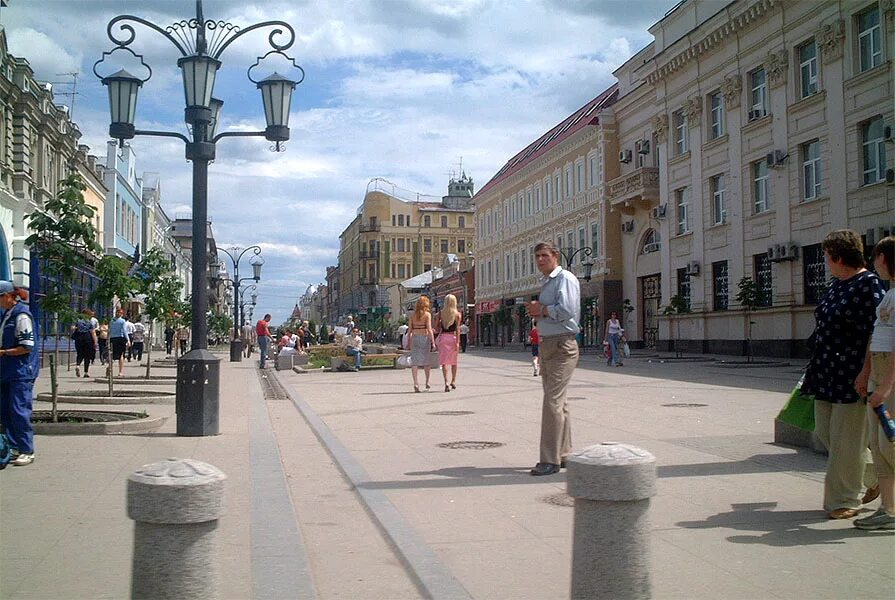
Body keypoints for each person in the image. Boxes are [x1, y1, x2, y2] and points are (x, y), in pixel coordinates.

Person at [802, 230, 883, 519]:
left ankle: (844, 500)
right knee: (825, 433)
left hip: (852, 372)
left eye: (827, 256)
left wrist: (866, 372)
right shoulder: (836, 285)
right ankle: (877, 475)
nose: (826, 262)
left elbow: (876, 333)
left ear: (839, 257)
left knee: (846, 440)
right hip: (825, 370)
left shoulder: (868, 285)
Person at [525, 241, 580, 476]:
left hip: (562, 345)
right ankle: (564, 453)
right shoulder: (547, 281)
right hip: (548, 344)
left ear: (555, 255)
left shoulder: (564, 278)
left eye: (544, 255)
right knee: (559, 402)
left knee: (552, 402)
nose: (540, 260)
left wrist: (542, 310)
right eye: (537, 256)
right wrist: (539, 311)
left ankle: (549, 460)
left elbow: (567, 310)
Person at [854, 236, 895, 530]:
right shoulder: (888, 294)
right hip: (878, 372)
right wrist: (866, 373)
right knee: (877, 446)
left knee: (888, 443)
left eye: (877, 256)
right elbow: (876, 337)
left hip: (890, 375)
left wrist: (886, 386)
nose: (873, 262)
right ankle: (888, 509)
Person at [0, 281, 39, 466]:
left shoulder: (21, 315)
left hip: (21, 371)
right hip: (7, 370)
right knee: (5, 410)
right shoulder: (7, 315)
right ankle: (14, 447)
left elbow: (27, 346)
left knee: (19, 410)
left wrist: (4, 352)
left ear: (8, 296)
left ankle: (27, 450)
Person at [435, 293, 461, 391]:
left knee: (444, 362)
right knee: (454, 361)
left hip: (443, 338)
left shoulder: (440, 314)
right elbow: (457, 329)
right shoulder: (457, 315)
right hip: (453, 338)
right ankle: (453, 381)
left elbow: (436, 327)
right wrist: (457, 342)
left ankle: (446, 382)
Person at [409, 296, 436, 392]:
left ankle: (416, 383)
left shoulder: (412, 315)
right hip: (424, 338)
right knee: (426, 361)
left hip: (415, 338)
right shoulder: (427, 315)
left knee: (415, 362)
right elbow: (429, 329)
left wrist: (408, 342)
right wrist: (433, 342)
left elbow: (409, 330)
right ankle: (427, 382)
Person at [72, 308, 98, 378]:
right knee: (87, 355)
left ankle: (78, 365)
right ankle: (86, 372)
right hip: (87, 338)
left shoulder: (78, 321)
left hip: (79, 338)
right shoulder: (89, 322)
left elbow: (72, 328)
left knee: (79, 353)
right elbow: (93, 333)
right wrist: (95, 342)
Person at [109, 308, 130, 377]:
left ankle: (109, 368)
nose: (119, 314)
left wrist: (108, 339)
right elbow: (124, 331)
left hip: (113, 339)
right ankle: (120, 372)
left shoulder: (112, 320)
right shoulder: (122, 321)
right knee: (121, 355)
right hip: (120, 338)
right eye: (119, 312)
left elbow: (109, 330)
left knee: (112, 354)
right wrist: (128, 340)